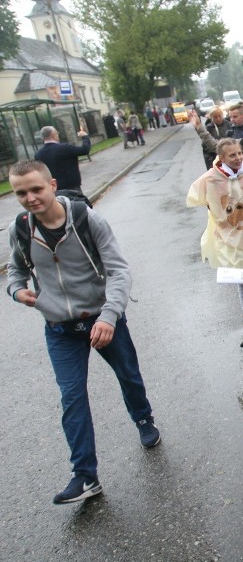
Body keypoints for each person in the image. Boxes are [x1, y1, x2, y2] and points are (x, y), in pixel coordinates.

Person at [6, 160, 161, 504]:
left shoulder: (86, 219)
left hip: (103, 320)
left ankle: (143, 418)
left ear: (52, 184)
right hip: (60, 328)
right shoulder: (20, 229)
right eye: (21, 193)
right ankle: (85, 476)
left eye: (35, 189)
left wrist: (109, 316)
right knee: (72, 397)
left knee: (129, 376)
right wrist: (17, 291)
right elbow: (15, 271)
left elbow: (119, 271)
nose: (30, 198)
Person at [186, 138, 243, 347]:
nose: (237, 158)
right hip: (230, 238)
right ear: (221, 158)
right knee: (241, 280)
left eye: (239, 153)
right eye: (232, 155)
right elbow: (197, 196)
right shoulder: (210, 179)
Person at [34, 126, 91, 193]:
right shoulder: (65, 148)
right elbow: (84, 150)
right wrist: (85, 136)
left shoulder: (38, 154)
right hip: (72, 188)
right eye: (57, 133)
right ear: (53, 135)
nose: (58, 135)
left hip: (54, 190)